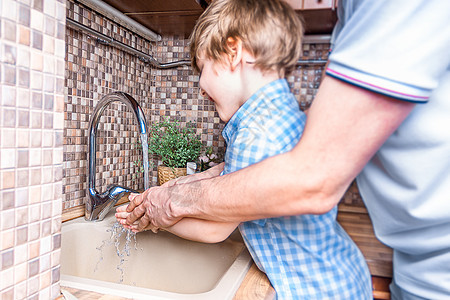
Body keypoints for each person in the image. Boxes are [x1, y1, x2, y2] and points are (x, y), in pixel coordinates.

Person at [119, 0, 450, 298]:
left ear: (234, 52)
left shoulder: (254, 132)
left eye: (202, 69)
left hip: (312, 290)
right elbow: (231, 175)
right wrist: (174, 189)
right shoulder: (280, 113)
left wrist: (154, 219)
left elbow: (215, 227)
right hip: (340, 277)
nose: (202, 87)